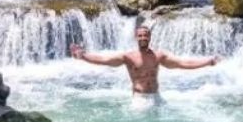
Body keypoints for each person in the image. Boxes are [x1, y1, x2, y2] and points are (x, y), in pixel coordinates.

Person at [69, 25, 219, 108]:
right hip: (139, 100)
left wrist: (207, 62)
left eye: (145, 35)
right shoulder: (128, 57)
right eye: (140, 35)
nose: (143, 38)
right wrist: (83, 56)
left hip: (157, 98)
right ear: (136, 37)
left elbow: (183, 63)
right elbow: (103, 59)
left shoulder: (158, 56)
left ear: (149, 37)